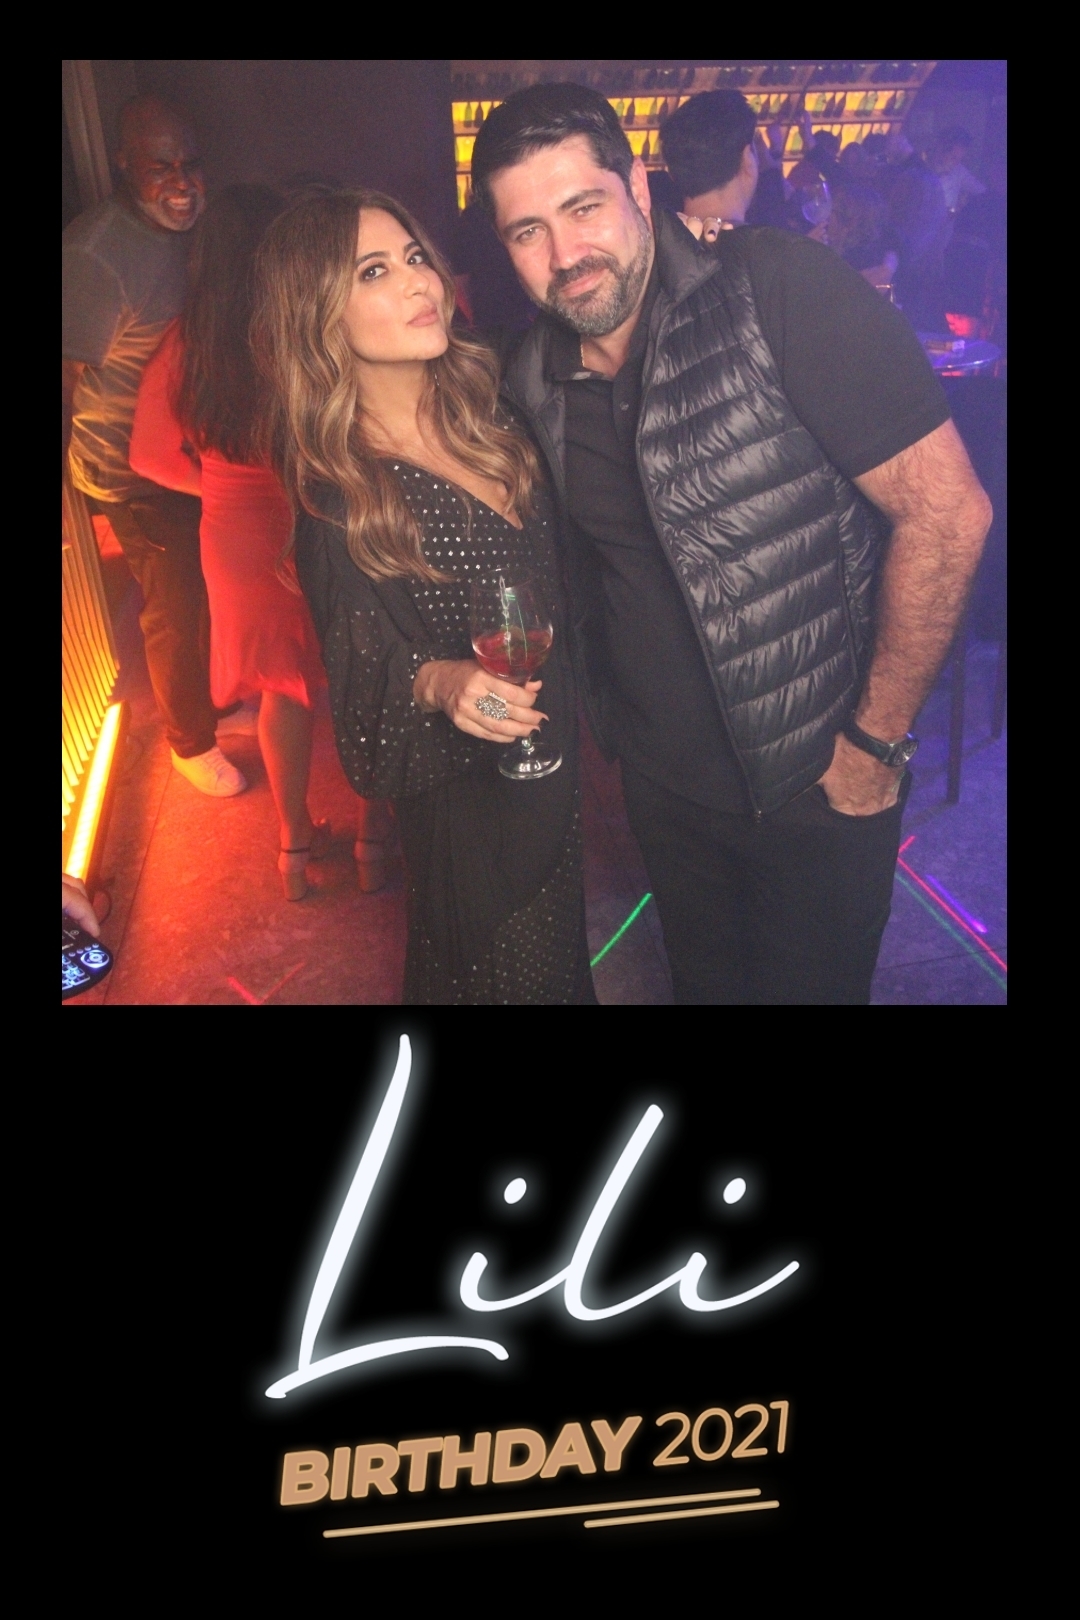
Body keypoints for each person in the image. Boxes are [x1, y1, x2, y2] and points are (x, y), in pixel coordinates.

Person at [469, 83, 992, 1005]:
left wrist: (873, 747)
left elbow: (949, 513)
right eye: (527, 231)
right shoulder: (532, 378)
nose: (565, 254)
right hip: (664, 792)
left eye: (584, 207)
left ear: (638, 186)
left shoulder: (776, 287)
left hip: (816, 781)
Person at [252, 190, 593, 1004]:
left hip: (553, 768)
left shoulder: (491, 410)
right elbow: (365, 710)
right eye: (373, 271)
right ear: (318, 316)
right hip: (472, 819)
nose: (418, 282)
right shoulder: (345, 499)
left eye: (414, 257)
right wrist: (441, 680)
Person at [129, 185, 392, 900]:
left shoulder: (188, 341)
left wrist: (219, 483)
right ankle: (372, 841)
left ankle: (294, 849)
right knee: (365, 676)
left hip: (235, 536)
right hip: (323, 513)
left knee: (282, 691)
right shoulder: (310, 323)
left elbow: (147, 456)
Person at [63, 95, 246, 798]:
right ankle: (189, 741)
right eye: (160, 167)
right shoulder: (94, 255)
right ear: (123, 164)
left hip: (193, 452)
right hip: (130, 470)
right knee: (174, 604)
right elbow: (67, 374)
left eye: (191, 164)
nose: (181, 182)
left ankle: (216, 700)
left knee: (212, 588)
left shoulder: (196, 228)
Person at [928, 127, 986, 217]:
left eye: (960, 159)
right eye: (953, 157)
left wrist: (956, 209)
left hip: (945, 224)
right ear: (941, 148)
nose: (956, 163)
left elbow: (981, 191)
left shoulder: (959, 171)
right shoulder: (920, 170)